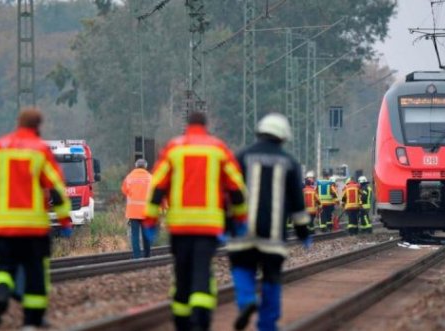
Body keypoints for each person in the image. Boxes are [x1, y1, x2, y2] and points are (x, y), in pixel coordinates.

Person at [143, 112, 247, 331]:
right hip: (209, 227)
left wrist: (150, 219)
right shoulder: (218, 149)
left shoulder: (174, 148)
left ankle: (182, 322)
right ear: (206, 126)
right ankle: (202, 319)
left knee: (182, 272)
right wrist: (240, 218)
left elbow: (157, 187)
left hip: (180, 227)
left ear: (188, 126)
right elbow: (237, 188)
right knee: (202, 270)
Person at [227, 113, 311, 331]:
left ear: (259, 132)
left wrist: (226, 224)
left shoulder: (241, 157)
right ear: (283, 137)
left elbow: (227, 192)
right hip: (273, 237)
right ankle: (267, 324)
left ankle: (246, 301)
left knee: (242, 268)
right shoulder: (290, 163)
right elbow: (297, 203)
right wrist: (303, 233)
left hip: (242, 231)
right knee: (271, 279)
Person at [0, 108, 72, 327]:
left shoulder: (1, 147)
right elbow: (56, 189)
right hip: (33, 228)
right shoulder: (40, 150)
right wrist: (65, 220)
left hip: (3, 226)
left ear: (18, 122)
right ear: (38, 126)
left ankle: (1, 293)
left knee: (4, 268)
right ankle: (32, 320)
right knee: (35, 273)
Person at [121, 158, 153, 259]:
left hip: (133, 211)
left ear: (136, 166)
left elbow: (124, 190)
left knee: (135, 235)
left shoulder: (129, 177)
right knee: (146, 234)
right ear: (146, 166)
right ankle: (147, 255)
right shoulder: (150, 178)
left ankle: (136, 257)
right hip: (146, 212)